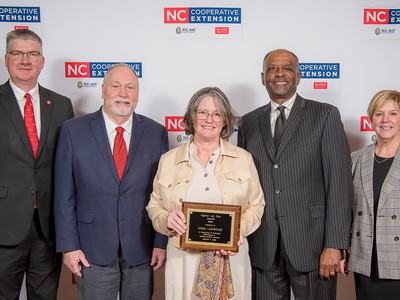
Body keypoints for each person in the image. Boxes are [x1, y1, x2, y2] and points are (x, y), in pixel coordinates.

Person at [238, 49, 353, 300]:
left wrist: (334, 244)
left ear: (299, 76)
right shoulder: (247, 123)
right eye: (272, 68)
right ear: (262, 77)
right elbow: (241, 186)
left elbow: (339, 184)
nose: (279, 73)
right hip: (263, 246)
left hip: (312, 246)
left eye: (287, 68)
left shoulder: (325, 115)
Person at [54, 64, 168, 299]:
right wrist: (69, 246)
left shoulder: (156, 133)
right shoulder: (72, 131)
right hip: (91, 249)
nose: (123, 93)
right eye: (115, 86)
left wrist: (160, 242)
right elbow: (64, 195)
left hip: (141, 248)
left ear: (137, 94)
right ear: (103, 90)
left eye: (130, 87)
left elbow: (163, 193)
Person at [146, 86, 265, 299]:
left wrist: (239, 230)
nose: (209, 119)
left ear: (225, 121)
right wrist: (166, 219)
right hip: (182, 261)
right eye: (203, 112)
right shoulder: (169, 160)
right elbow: (154, 205)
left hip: (231, 258)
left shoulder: (243, 159)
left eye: (217, 114)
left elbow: (257, 205)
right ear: (192, 118)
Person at [0, 29, 74, 299]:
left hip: (47, 229)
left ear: (42, 60)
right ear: (6, 58)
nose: (25, 60)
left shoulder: (62, 105)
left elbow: (68, 168)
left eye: (32, 54)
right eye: (17, 53)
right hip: (4, 226)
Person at [347, 90, 400, 300]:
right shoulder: (356, 159)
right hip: (366, 261)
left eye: (393, 113)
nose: (385, 120)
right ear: (371, 119)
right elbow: (347, 210)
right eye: (379, 114)